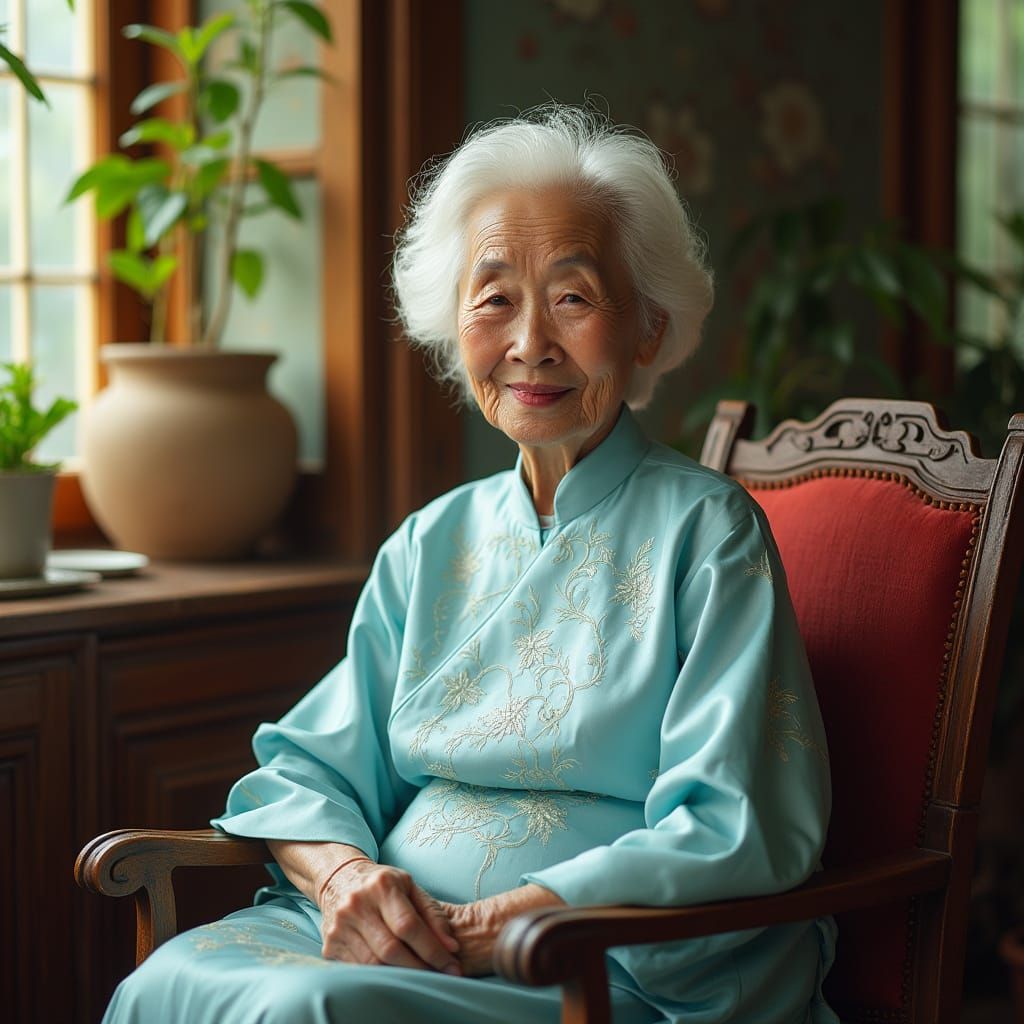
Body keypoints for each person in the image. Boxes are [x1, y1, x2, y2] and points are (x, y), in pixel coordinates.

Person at [103, 105, 836, 1024]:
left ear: (648, 328)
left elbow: (734, 821)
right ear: (454, 328)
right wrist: (346, 882)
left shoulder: (709, 532)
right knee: (165, 984)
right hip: (396, 944)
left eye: (574, 297)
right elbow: (310, 769)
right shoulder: (430, 543)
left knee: (304, 1017)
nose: (531, 341)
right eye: (493, 298)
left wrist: (502, 925)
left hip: (593, 965)